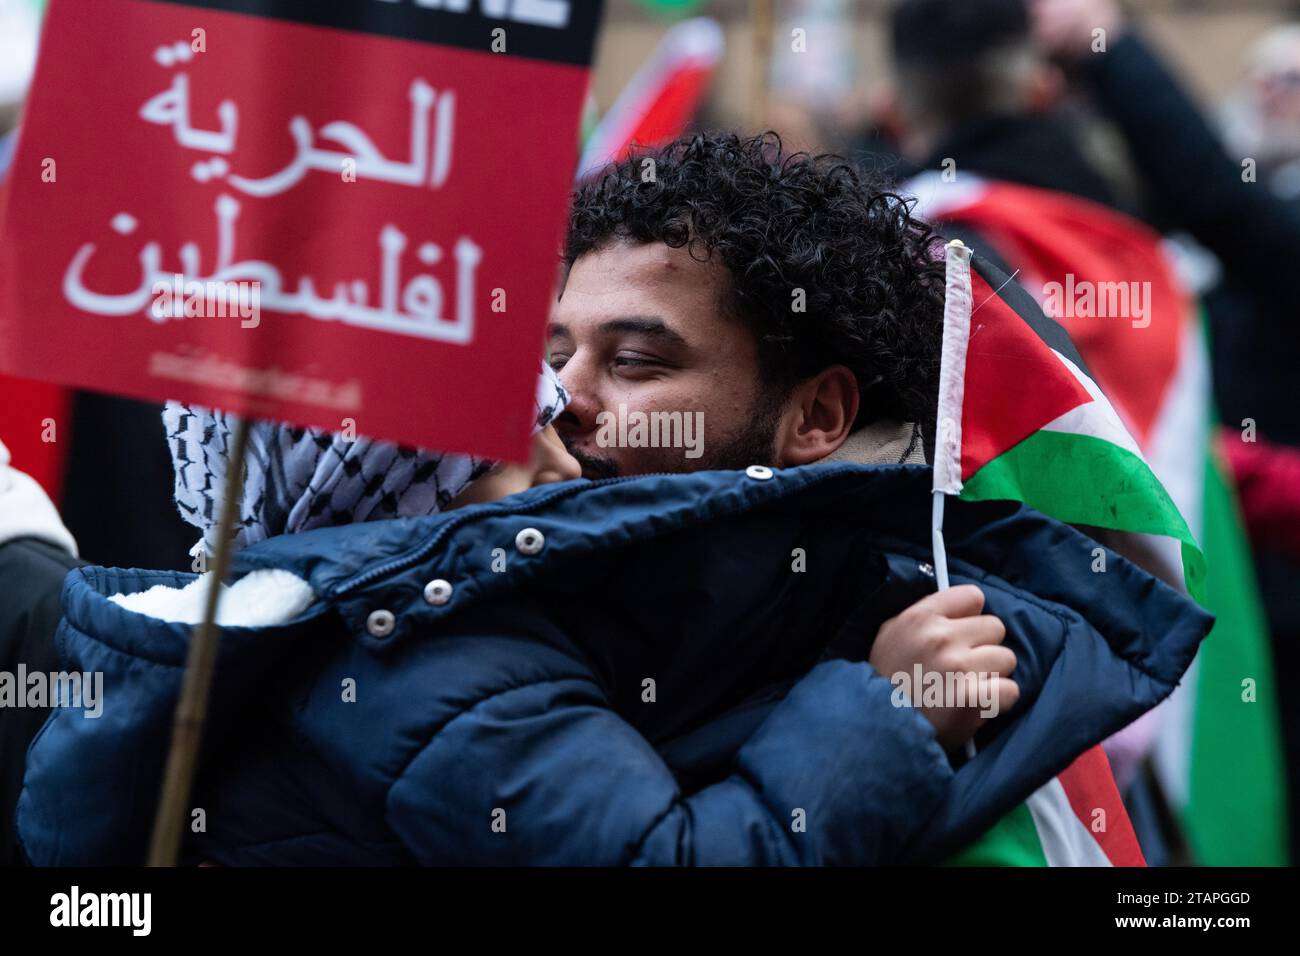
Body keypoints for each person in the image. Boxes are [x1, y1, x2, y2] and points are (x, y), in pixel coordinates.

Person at [16, 135, 1211, 866]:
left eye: (636, 364)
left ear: (818, 413)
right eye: (550, 353)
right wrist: (885, 718)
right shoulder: (443, 628)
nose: (564, 399)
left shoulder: (931, 635)